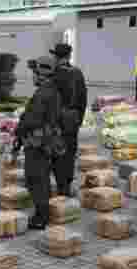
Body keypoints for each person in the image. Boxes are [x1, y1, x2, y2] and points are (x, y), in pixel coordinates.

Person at [12, 57, 63, 231]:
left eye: (34, 73)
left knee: (35, 178)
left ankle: (41, 217)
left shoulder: (43, 93)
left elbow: (32, 120)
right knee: (42, 177)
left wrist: (19, 130)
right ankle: (43, 210)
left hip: (38, 143)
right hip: (46, 141)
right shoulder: (52, 90)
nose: (32, 76)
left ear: (41, 74)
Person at [50, 43, 88, 199]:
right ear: (69, 56)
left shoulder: (53, 73)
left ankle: (61, 186)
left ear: (56, 57)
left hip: (57, 117)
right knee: (70, 152)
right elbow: (83, 99)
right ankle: (67, 184)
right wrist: (79, 119)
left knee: (57, 151)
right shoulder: (77, 72)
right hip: (72, 118)